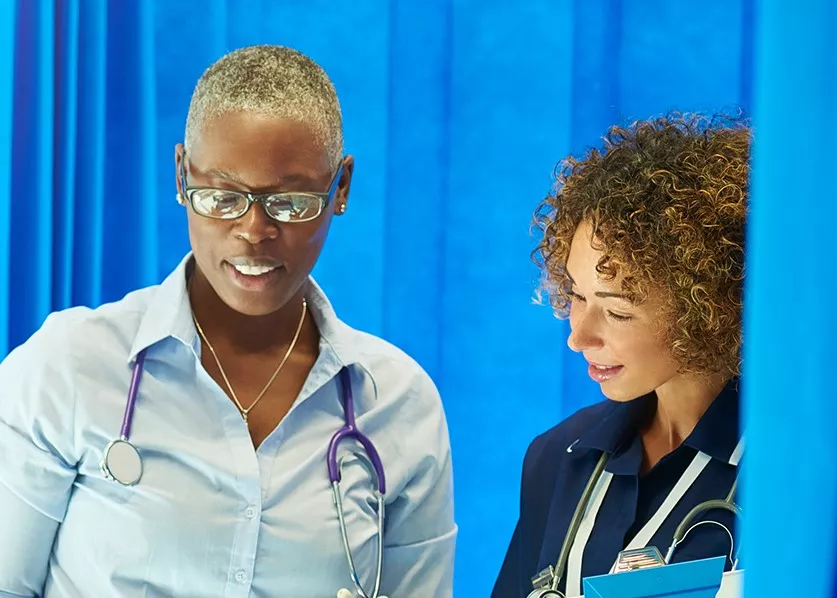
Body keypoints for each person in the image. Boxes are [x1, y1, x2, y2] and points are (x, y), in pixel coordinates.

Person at [0, 45, 456, 598]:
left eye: (290, 202)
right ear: (180, 176)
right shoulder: (68, 367)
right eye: (220, 197)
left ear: (340, 189)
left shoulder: (399, 404)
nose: (254, 230)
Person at [492, 114, 748, 597]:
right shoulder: (560, 458)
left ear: (708, 306)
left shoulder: (792, 472)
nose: (578, 336)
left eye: (617, 311)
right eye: (576, 295)